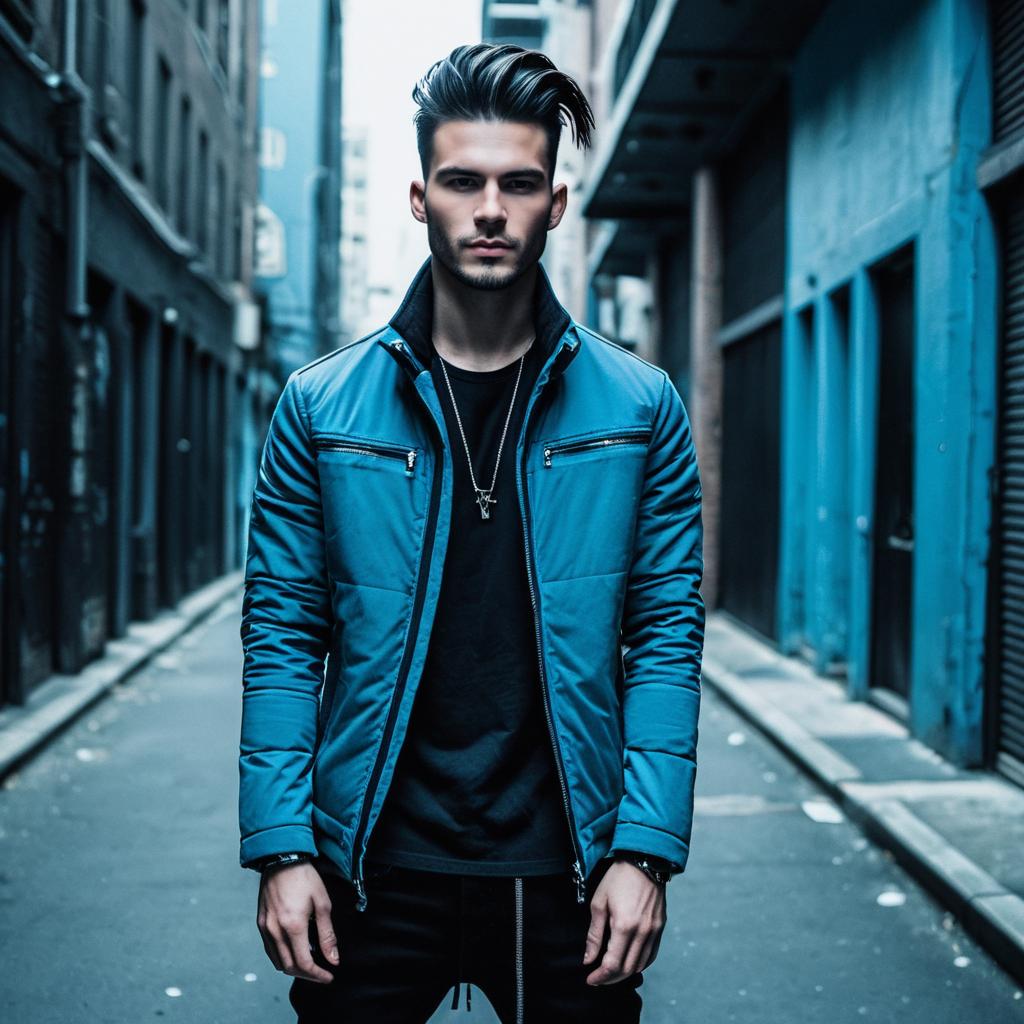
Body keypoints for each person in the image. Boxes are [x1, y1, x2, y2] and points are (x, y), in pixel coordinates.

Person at [238, 42, 705, 1023]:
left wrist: (644, 850)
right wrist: (284, 848)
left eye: (518, 183)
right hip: (371, 865)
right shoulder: (321, 407)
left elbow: (664, 636)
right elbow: (281, 637)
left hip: (566, 871)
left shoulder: (641, 406)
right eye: (462, 181)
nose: (489, 208)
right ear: (420, 198)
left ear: (556, 204)